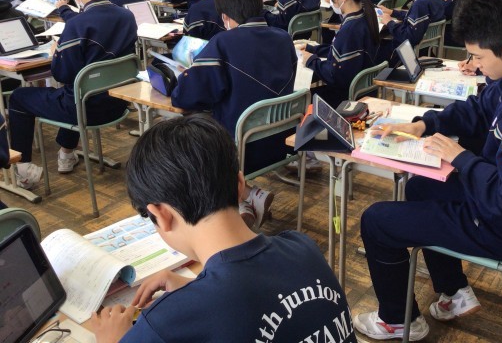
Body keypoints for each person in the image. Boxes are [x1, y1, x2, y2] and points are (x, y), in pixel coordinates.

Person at [353, 0, 502, 341]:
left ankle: (396, 320)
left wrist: (461, 158)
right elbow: (480, 108)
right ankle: (453, 292)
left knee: (376, 221)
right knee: (420, 186)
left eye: (477, 56)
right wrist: (424, 124)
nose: (474, 65)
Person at [90, 114, 355, 343]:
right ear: (240, 185)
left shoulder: (164, 323)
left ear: (161, 215)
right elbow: (253, 301)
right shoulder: (302, 246)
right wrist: (194, 290)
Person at [171, 0, 297, 229]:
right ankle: (248, 196)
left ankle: (236, 203)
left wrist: (188, 74)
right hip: (280, 143)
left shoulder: (224, 43)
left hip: (240, 152)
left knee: (189, 129)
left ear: (225, 17)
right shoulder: (284, 38)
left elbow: (184, 97)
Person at [9, 0, 137, 189]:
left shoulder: (78, 25)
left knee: (20, 97)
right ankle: (66, 154)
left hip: (85, 110)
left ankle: (23, 170)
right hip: (118, 103)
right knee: (77, 90)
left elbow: (61, 74)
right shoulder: (126, 16)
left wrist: (57, 52)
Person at [298, 0, 380, 108]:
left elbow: (334, 76)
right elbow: (341, 53)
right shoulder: (364, 17)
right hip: (360, 90)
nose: (331, 0)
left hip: (345, 97)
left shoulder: (350, 29)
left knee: (300, 99)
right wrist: (313, 49)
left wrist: (310, 60)